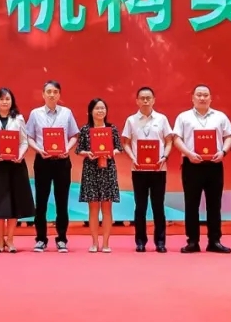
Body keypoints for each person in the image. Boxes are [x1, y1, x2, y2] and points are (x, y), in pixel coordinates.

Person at [172, 85, 231, 254]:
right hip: (192, 164)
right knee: (191, 204)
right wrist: (188, 153)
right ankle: (192, 241)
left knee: (214, 204)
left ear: (211, 98)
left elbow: (229, 136)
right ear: (192, 97)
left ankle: (214, 241)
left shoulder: (220, 116)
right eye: (199, 95)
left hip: (214, 164)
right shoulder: (183, 117)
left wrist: (223, 152)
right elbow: (176, 138)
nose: (202, 98)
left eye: (205, 95)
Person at [0, 87, 36, 253]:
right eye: (2, 99)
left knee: (14, 204)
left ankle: (10, 240)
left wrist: (20, 155)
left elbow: (24, 141)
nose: (4, 102)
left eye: (7, 99)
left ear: (12, 102)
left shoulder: (19, 119)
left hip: (15, 165)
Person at [26, 81, 80, 252]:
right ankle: (41, 239)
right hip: (42, 161)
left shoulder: (67, 113)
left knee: (62, 201)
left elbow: (74, 135)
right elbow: (29, 137)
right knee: (41, 202)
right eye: (48, 91)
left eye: (55, 92)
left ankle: (62, 239)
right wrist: (39, 150)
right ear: (43, 94)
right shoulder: (35, 114)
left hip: (62, 161)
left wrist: (67, 149)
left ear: (59, 95)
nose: (52, 94)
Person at [121, 86, 174, 253]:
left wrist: (164, 157)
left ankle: (160, 242)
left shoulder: (162, 119)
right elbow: (126, 143)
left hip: (159, 169)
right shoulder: (131, 120)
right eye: (142, 98)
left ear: (153, 100)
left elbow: (169, 141)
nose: (145, 101)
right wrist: (133, 158)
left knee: (158, 206)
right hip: (138, 170)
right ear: (137, 101)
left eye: (148, 98)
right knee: (140, 207)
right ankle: (140, 241)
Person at [76, 98, 122, 253]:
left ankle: (106, 243)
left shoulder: (112, 128)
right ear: (91, 111)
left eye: (103, 108)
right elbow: (79, 150)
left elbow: (119, 148)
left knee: (107, 208)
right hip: (91, 170)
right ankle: (94, 243)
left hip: (108, 170)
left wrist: (112, 153)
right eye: (97, 108)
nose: (100, 111)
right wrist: (87, 153)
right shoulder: (85, 129)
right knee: (93, 208)